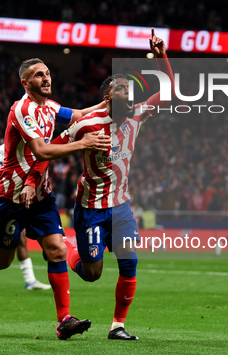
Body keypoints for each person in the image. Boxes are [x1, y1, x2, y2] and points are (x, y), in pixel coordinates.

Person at [0, 57, 112, 340]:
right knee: (2, 259)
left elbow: (80, 114)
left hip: (40, 195)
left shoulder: (51, 106)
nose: (46, 78)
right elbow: (42, 151)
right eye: (38, 75)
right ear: (25, 83)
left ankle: (64, 320)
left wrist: (106, 105)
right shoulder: (22, 110)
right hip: (11, 197)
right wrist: (82, 143)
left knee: (56, 249)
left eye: (47, 73)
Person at [24, 29, 174, 340]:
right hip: (90, 207)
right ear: (108, 97)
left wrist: (161, 57)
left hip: (120, 207)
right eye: (122, 89)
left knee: (129, 263)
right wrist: (30, 181)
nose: (130, 94)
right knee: (92, 275)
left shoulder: (137, 116)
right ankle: (65, 246)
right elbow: (46, 152)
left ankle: (117, 325)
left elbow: (169, 91)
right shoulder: (84, 124)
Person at [0, 142, 52, 292]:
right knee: (8, 242)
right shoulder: (17, 148)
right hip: (10, 198)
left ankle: (30, 280)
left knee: (19, 238)